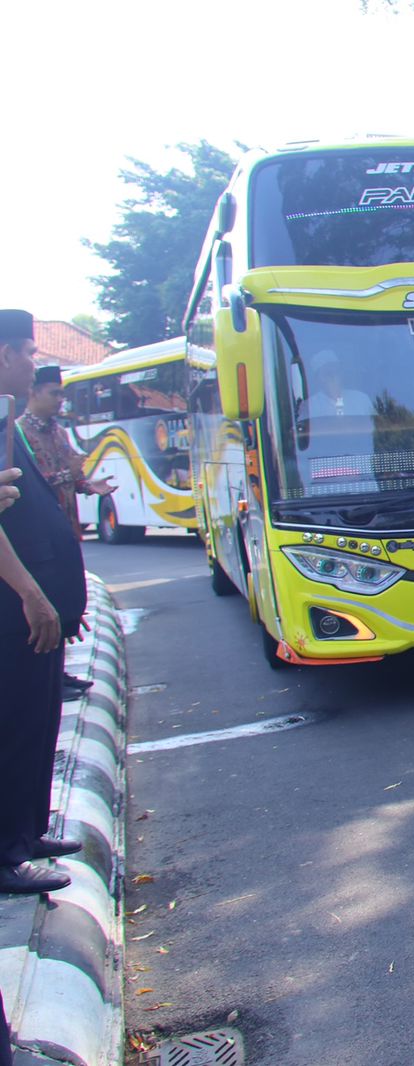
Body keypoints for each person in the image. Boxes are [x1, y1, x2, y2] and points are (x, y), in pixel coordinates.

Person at [0, 309, 86, 895]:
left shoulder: (8, 419)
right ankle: (9, 851)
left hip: (38, 600)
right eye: (28, 352)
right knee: (14, 723)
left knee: (39, 719)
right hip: (14, 604)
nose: (35, 364)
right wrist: (32, 594)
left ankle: (28, 831)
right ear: (4, 354)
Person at [19, 365, 114, 535]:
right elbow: (28, 485)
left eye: (62, 394)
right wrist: (68, 474)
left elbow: (72, 476)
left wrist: (87, 485)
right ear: (34, 393)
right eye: (54, 394)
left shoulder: (60, 433)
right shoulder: (19, 432)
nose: (60, 399)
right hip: (39, 532)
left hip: (69, 528)